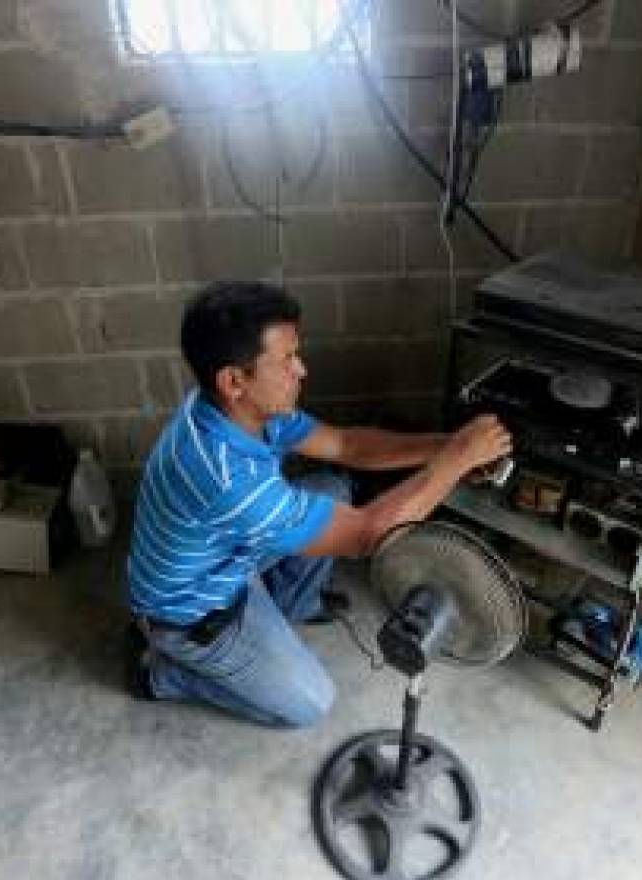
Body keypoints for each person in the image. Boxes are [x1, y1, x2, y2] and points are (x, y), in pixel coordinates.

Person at [124, 281, 511, 727]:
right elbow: (367, 535)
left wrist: (450, 445)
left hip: (221, 557)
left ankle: (293, 607)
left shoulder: (233, 408)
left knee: (333, 489)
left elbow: (348, 445)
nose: (302, 370)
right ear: (234, 381)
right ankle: (161, 674)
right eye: (287, 360)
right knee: (310, 704)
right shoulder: (225, 478)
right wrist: (458, 461)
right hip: (195, 614)